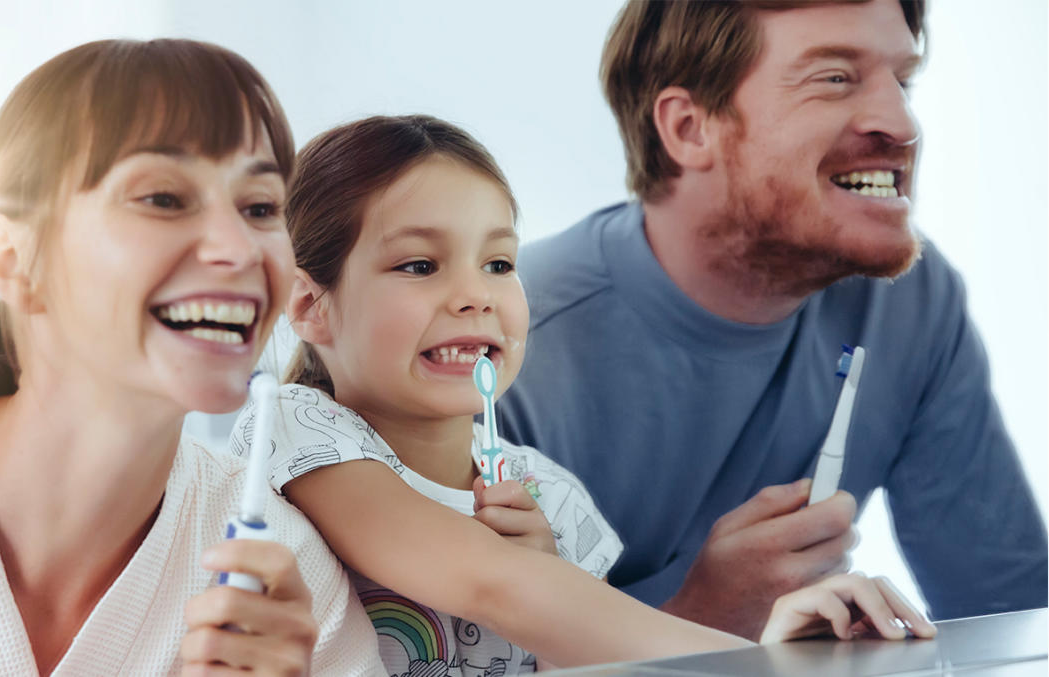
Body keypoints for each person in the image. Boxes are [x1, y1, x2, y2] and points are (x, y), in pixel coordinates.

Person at [216, 113, 935, 675]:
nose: (475, 295)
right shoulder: (293, 433)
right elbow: (492, 584)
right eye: (419, 263)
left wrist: (770, 639)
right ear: (311, 308)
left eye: (498, 260)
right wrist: (750, 665)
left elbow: (593, 654)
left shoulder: (550, 496)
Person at [0, 39, 384, 676]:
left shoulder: (292, 587)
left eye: (259, 208)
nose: (238, 248)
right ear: (13, 259)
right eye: (163, 198)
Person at [497, 0, 1049, 642]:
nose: (902, 124)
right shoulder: (499, 347)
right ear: (689, 128)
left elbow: (1013, 619)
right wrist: (702, 622)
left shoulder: (911, 305)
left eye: (902, 81)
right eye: (835, 78)